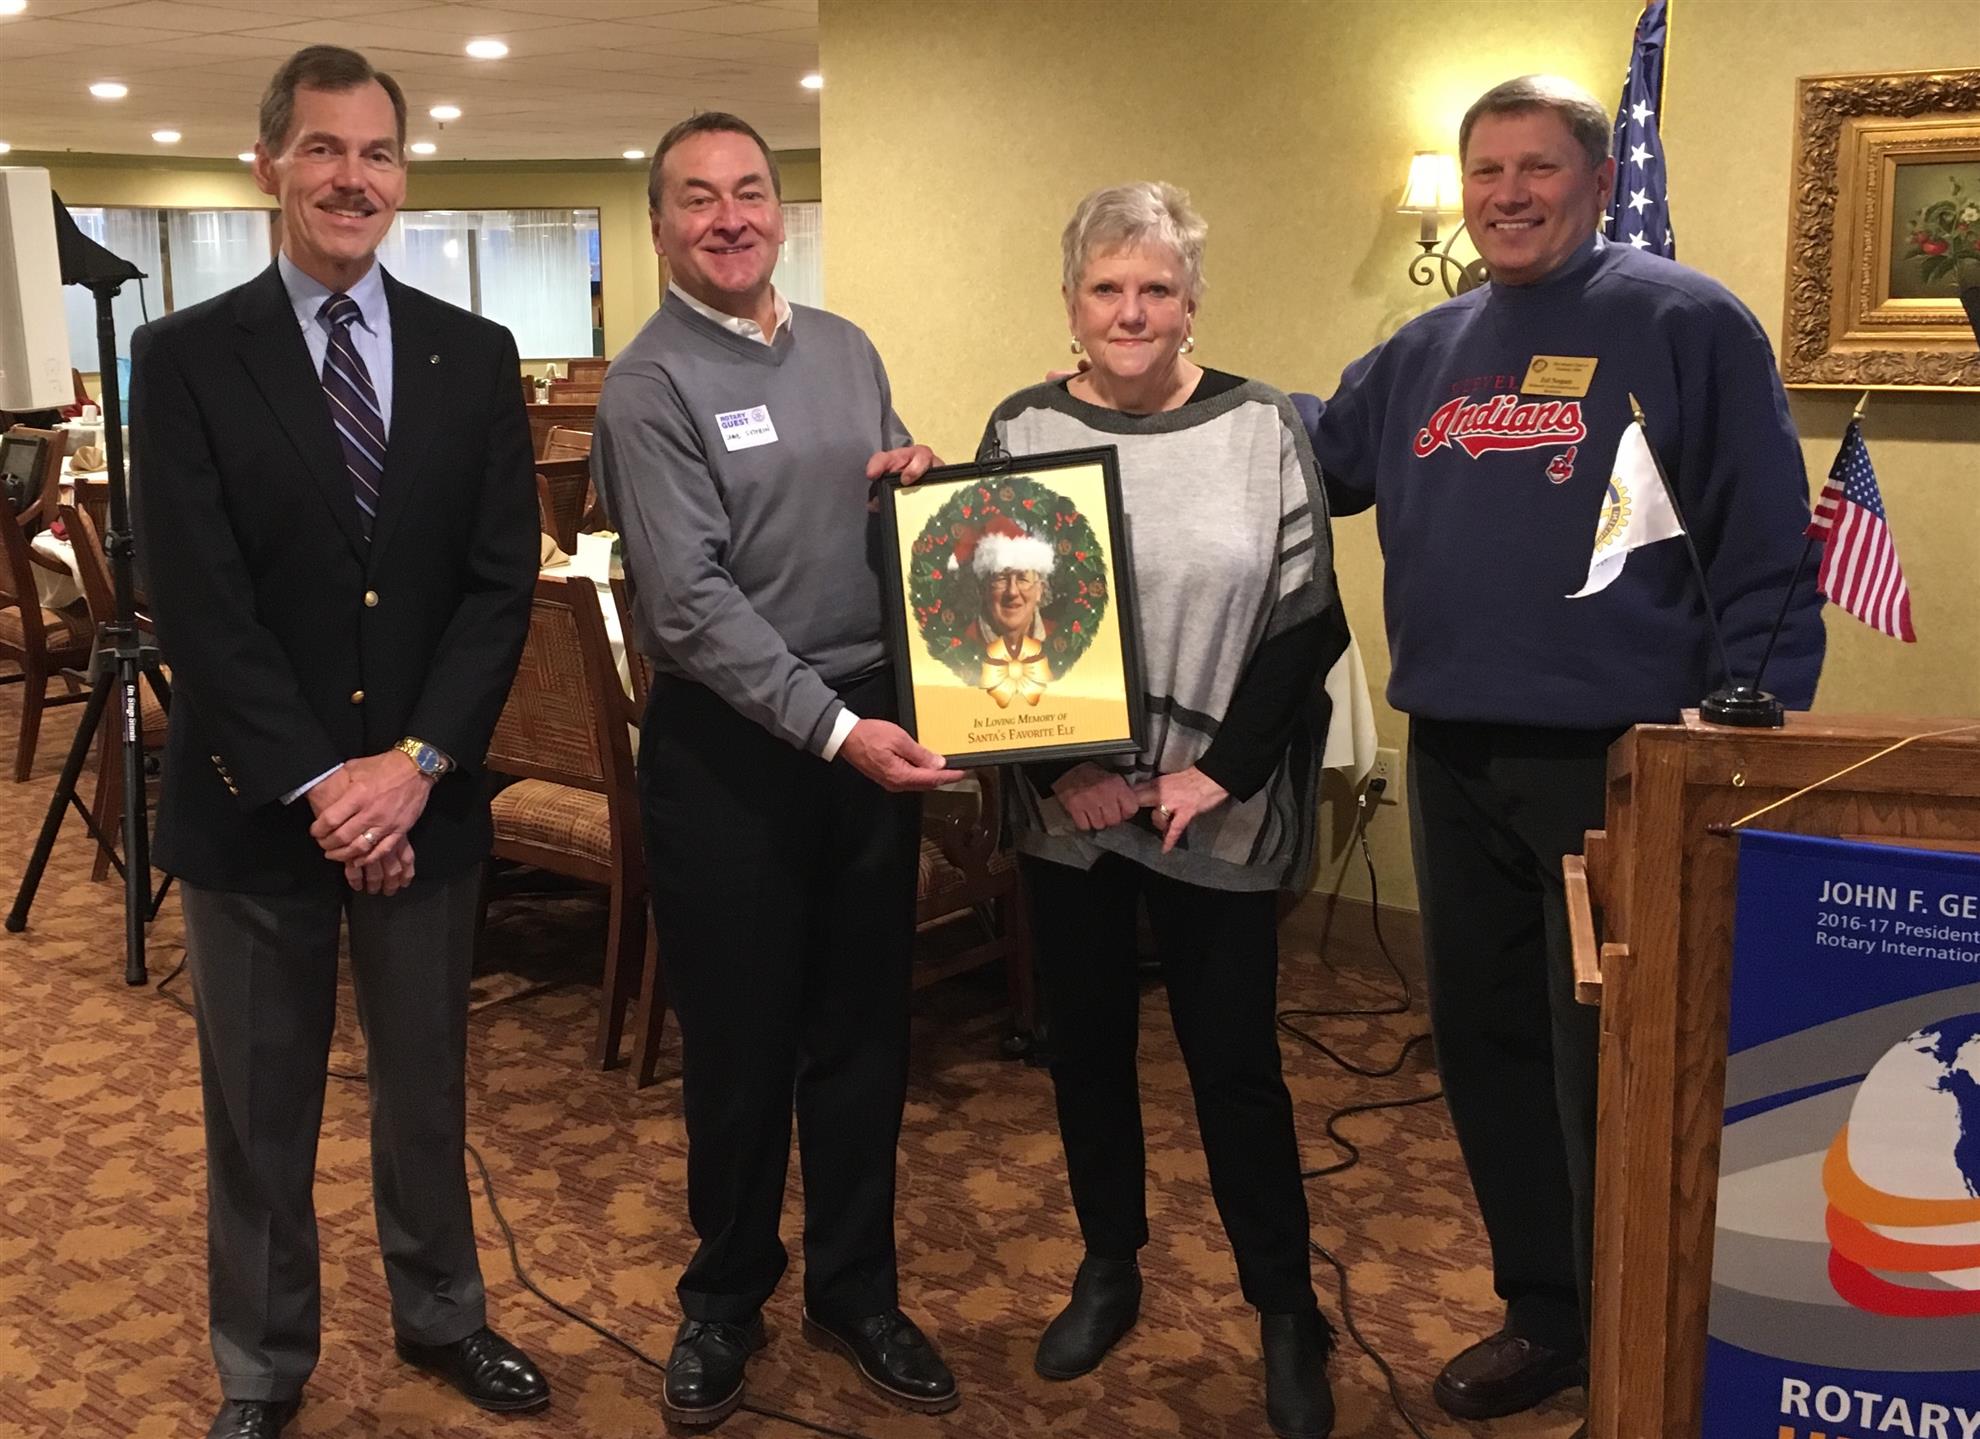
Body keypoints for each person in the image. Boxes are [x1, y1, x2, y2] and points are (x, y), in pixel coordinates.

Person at [1304, 75, 1825, 1435]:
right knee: (1487, 1047)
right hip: (1455, 749)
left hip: (1625, 759)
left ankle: (1640, 1322)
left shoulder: (1686, 321)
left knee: (1621, 1063)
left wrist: (1754, 745)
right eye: (1486, 170)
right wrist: (1141, 400)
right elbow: (1303, 460)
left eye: (1536, 168)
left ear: (1598, 182)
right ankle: (1545, 1310)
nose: (1507, 194)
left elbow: (1767, 543)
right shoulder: (1423, 348)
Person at [131, 45, 546, 1439]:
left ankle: (444, 1313)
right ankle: (261, 1364)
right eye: (322, 148)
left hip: (424, 801)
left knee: (426, 1088)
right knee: (260, 1107)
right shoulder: (184, 357)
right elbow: (199, 601)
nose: (350, 178)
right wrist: (329, 786)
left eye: (375, 152)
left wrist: (412, 768)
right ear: (268, 165)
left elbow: (498, 585)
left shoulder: (472, 354)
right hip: (257, 807)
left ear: (402, 174)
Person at [590, 112, 963, 1429]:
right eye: (698, 197)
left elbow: (884, 495)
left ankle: (857, 1289)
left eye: (750, 190)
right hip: (732, 753)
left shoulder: (847, 347)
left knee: (864, 1031)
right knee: (741, 1048)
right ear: (660, 225)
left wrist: (913, 484)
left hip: (864, 728)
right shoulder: (647, 385)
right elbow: (688, 606)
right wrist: (834, 727)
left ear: (780, 209)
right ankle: (725, 1296)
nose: (730, 216)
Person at [979, 181, 1346, 1439]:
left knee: (1235, 1066)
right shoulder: (1023, 426)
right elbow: (984, 615)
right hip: (1075, 811)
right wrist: (1059, 768)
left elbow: (1307, 618)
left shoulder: (1262, 425)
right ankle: (1108, 1264)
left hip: (1213, 811)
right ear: (1070, 304)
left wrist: (1220, 771)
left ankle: (1286, 1307)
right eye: (1106, 288)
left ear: (1193, 302)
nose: (1130, 311)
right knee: (1084, 1049)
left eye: (1156, 288)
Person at [970, 522, 1056, 706]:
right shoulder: (962, 645)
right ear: (984, 590)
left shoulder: (1061, 640)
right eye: (1001, 578)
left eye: (1023, 579)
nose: (1012, 592)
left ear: (1039, 590)